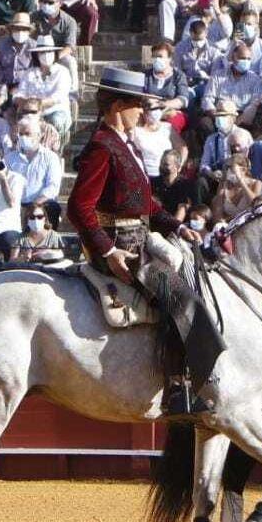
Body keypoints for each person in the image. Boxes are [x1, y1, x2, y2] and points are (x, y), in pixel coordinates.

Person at [65, 68, 218, 422]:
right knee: (182, 299)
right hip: (123, 250)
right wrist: (107, 250)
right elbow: (78, 207)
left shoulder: (122, 143)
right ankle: (179, 387)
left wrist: (177, 227)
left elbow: (145, 205)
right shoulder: (103, 146)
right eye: (138, 106)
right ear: (118, 106)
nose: (144, 113)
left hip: (138, 240)